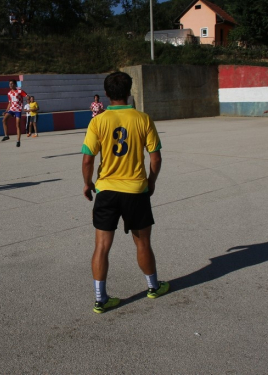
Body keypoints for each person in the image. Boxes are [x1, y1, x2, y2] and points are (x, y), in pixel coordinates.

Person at [81, 72, 169, 314]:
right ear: (130, 92)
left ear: (107, 94)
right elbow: (156, 157)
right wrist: (151, 182)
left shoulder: (97, 121)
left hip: (107, 191)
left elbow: (88, 159)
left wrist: (88, 184)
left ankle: (100, 299)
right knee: (143, 244)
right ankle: (153, 287)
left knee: (101, 246)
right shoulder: (143, 118)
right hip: (135, 191)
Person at [2, 79, 28, 147]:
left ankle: (18, 140)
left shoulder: (19, 91)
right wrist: (6, 111)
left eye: (12, 84)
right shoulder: (9, 93)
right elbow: (9, 103)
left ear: (15, 84)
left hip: (18, 110)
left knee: (18, 125)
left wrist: (28, 98)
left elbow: (26, 96)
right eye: (9, 84)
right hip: (11, 109)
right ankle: (6, 135)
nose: (10, 85)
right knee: (4, 120)